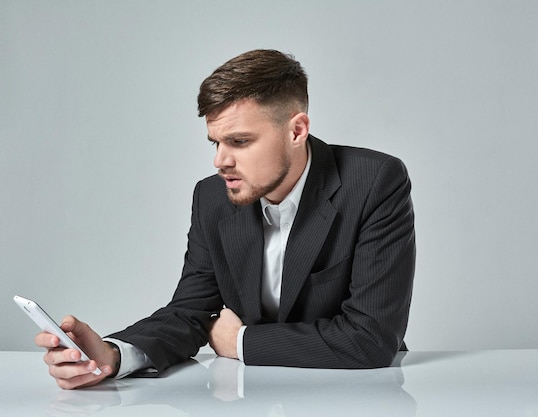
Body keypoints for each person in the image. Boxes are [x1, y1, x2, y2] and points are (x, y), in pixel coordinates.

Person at [35, 49, 416, 390]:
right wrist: (112, 355)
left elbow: (370, 338)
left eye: (239, 141)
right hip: (248, 396)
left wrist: (242, 342)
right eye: (215, 142)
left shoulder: (373, 182)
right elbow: (189, 311)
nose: (220, 161)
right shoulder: (212, 196)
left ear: (297, 130)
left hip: (357, 398)